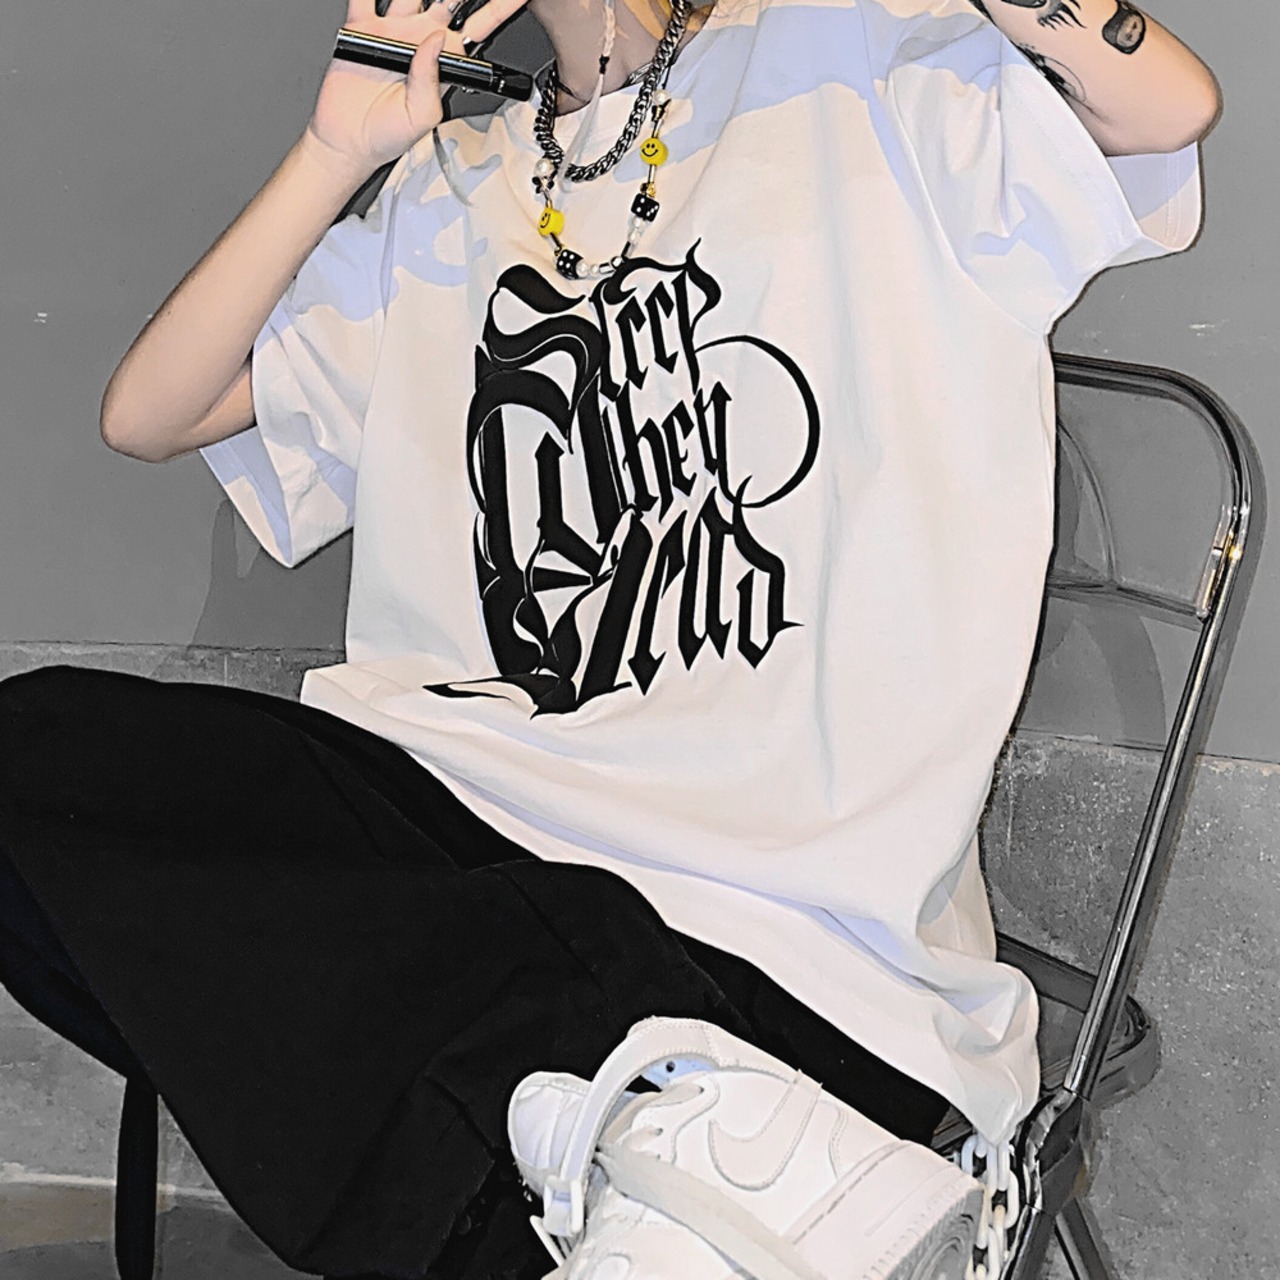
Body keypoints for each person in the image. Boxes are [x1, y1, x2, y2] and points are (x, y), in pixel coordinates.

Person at [0, 0, 1217, 1275]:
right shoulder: (449, 181)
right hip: (456, 841)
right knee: (40, 754)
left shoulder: (858, 58)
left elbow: (1162, 106)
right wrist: (334, 146)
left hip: (774, 934)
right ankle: (646, 1150)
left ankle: (640, 1147)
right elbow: (153, 412)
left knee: (443, 1046)